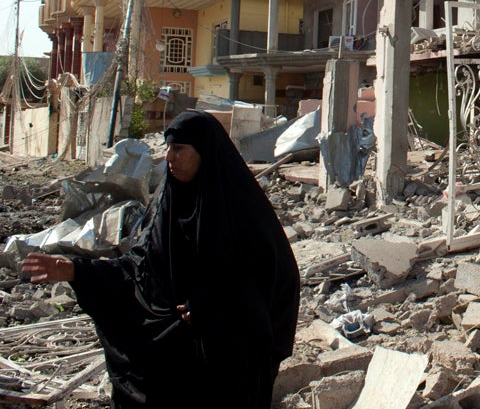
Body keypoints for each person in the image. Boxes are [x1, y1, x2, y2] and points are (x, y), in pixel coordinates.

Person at [21, 109, 300, 409]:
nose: (169, 157)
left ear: (204, 152)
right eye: (168, 149)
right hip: (175, 355)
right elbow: (138, 268)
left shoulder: (243, 213)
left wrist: (217, 311)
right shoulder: (166, 206)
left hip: (228, 360)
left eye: (179, 149)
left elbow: (276, 284)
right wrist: (77, 270)